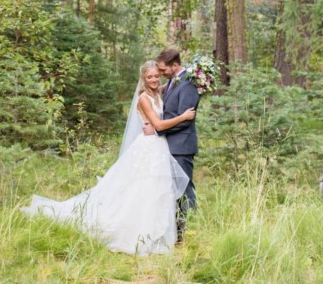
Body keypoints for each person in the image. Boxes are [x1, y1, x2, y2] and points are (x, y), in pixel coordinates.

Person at [21, 61, 195, 255]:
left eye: (156, 76)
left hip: (158, 147)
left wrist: (192, 74)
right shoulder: (144, 98)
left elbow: (173, 83)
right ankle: (138, 233)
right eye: (149, 77)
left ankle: (158, 234)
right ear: (143, 79)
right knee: (142, 188)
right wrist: (183, 117)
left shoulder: (157, 92)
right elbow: (159, 125)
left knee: (158, 189)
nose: (154, 79)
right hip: (148, 147)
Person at [144, 48, 200, 241]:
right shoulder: (172, 81)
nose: (160, 73)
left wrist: (157, 129)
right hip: (170, 145)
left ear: (174, 66)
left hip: (182, 146)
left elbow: (185, 119)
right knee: (173, 189)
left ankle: (189, 230)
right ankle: (176, 230)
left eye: (162, 70)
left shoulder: (188, 84)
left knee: (184, 189)